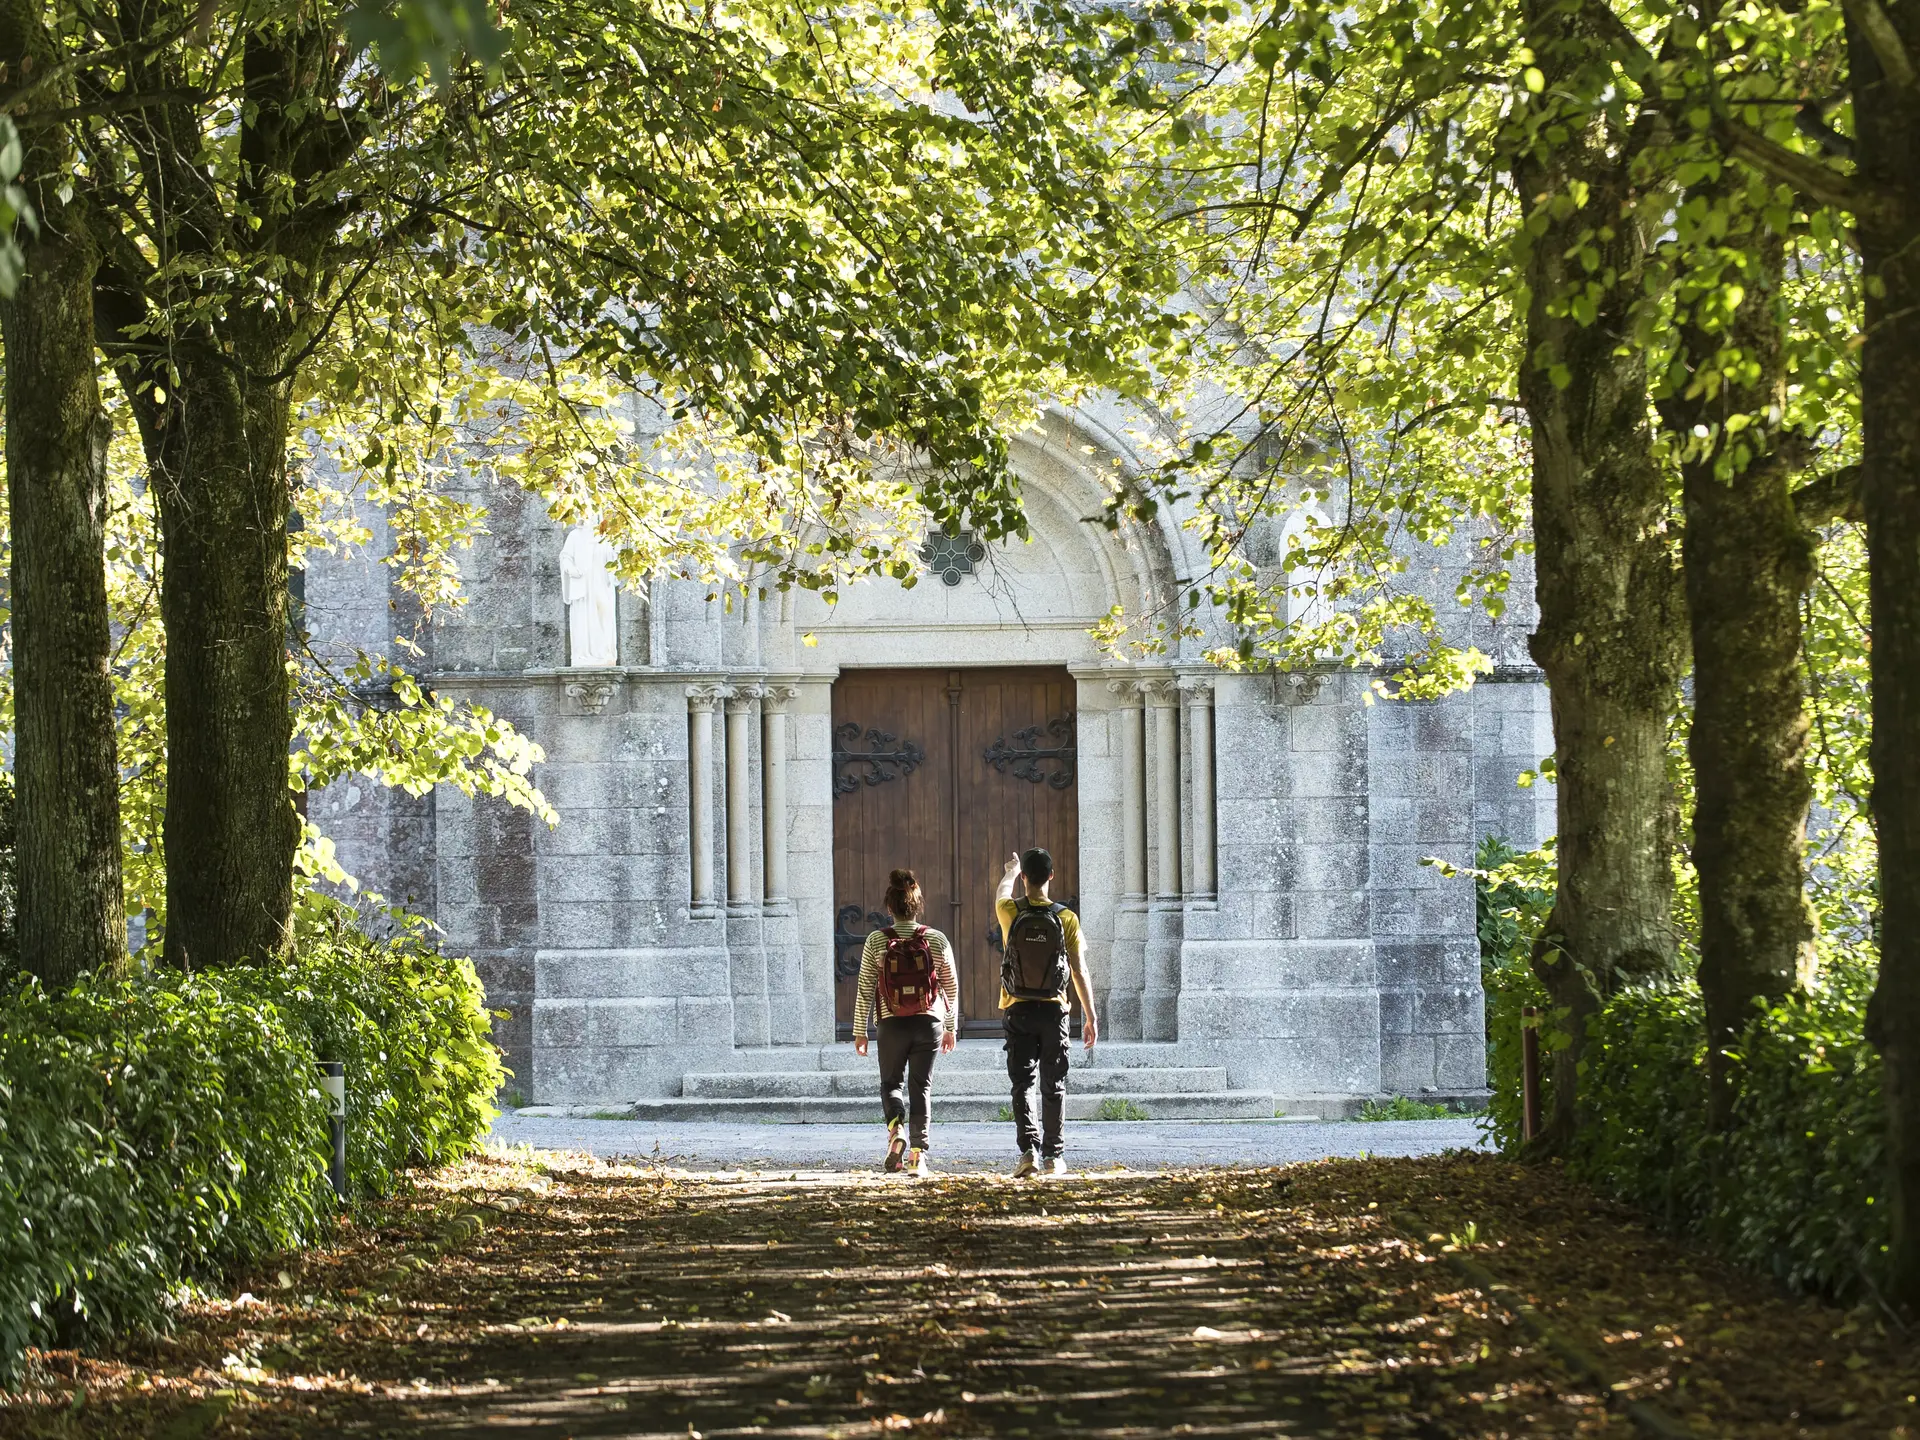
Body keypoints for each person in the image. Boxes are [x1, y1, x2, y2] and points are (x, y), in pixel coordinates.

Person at [995, 847, 1097, 1177]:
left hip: (1018, 1007)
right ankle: (1054, 1156)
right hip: (1055, 1011)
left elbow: (1001, 893)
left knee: (1022, 1083)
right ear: (1051, 876)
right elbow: (1079, 970)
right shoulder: (1066, 917)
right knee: (1054, 1085)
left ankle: (1028, 1153)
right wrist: (1091, 1015)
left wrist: (1010, 871)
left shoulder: (1009, 911)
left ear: (1025, 876)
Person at [852, 868, 959, 1176]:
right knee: (921, 1086)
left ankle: (896, 1129)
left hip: (891, 1023)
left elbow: (865, 989)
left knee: (891, 1084)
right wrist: (950, 1025)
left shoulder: (876, 941)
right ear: (916, 905)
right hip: (929, 1023)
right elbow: (950, 986)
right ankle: (916, 1156)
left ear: (890, 908)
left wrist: (860, 1031)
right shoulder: (936, 939)